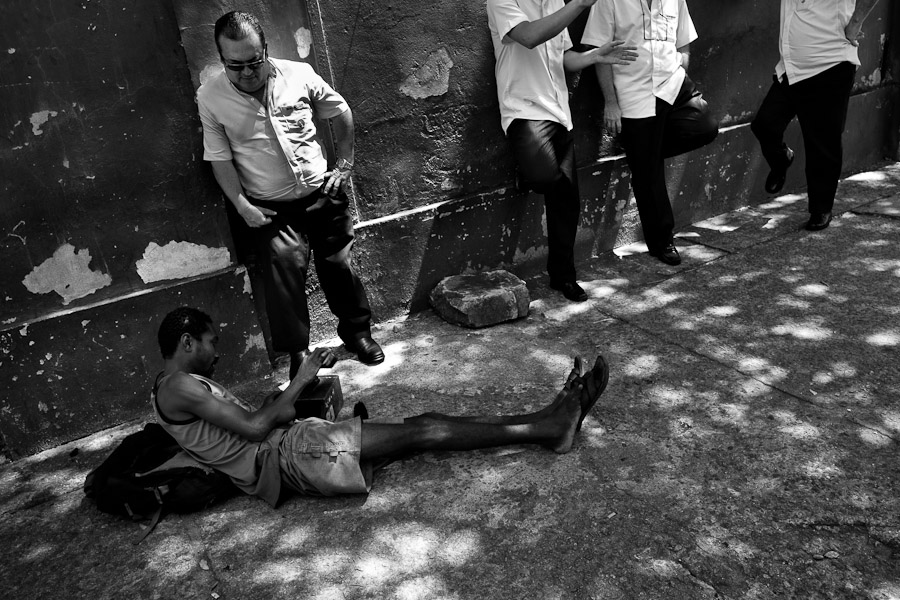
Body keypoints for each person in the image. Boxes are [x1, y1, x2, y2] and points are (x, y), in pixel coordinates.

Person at [152, 307, 609, 503]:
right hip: (292, 454)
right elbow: (254, 429)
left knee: (424, 427)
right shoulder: (178, 386)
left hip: (291, 445)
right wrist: (303, 380)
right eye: (211, 343)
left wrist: (289, 397)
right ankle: (551, 428)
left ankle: (549, 420)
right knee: (424, 430)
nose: (217, 352)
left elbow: (253, 423)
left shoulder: (177, 385)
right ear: (187, 341)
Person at [197, 11, 383, 378]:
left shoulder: (298, 74)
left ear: (265, 50)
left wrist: (344, 165)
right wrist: (241, 205)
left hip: (322, 193)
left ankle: (358, 333)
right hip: (270, 208)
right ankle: (299, 354)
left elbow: (340, 110)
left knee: (339, 265)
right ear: (222, 60)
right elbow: (218, 158)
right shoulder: (211, 96)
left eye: (254, 62)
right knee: (283, 274)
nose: (247, 73)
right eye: (236, 66)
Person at [486, 0, 638, 302]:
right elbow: (529, 37)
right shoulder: (501, 1)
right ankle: (529, 170)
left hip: (560, 112)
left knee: (567, 200)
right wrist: (579, 4)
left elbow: (564, 58)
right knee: (543, 177)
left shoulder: (555, 2)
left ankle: (563, 276)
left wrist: (595, 55)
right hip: (524, 109)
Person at [582, 0, 718, 266]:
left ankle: (642, 151)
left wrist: (681, 66)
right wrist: (611, 102)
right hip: (635, 93)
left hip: (674, 84)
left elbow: (683, 42)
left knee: (705, 125)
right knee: (648, 175)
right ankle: (662, 241)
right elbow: (600, 53)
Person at [750, 0, 881, 232]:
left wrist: (855, 23)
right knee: (765, 124)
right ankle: (781, 159)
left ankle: (821, 208)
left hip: (830, 61)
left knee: (822, 141)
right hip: (791, 66)